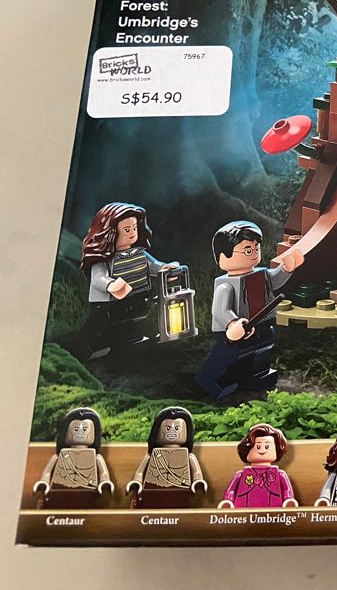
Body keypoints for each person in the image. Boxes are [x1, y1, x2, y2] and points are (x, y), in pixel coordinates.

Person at [194, 221, 303, 399]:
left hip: (261, 323)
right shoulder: (226, 285)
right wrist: (232, 323)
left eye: (256, 248)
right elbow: (220, 310)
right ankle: (211, 381)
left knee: (262, 348)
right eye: (247, 250)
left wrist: (286, 269)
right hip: (235, 331)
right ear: (224, 256)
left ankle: (257, 376)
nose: (253, 253)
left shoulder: (261, 274)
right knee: (229, 355)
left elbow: (275, 281)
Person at [79, 202, 178, 358]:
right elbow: (98, 278)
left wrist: (164, 269)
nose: (132, 233)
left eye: (134, 228)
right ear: (110, 232)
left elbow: (153, 266)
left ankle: (130, 341)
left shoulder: (139, 253)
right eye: (127, 229)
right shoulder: (104, 259)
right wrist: (111, 284)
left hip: (135, 296)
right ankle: (90, 347)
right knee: (104, 323)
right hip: (108, 303)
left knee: (133, 319)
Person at [218, 423, 298, 508]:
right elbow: (231, 490)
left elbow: (287, 490)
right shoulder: (241, 475)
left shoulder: (279, 475)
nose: (262, 450)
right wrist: (228, 501)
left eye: (267, 446)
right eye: (258, 447)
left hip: (273, 511)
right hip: (244, 510)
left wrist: (288, 500)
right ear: (247, 450)